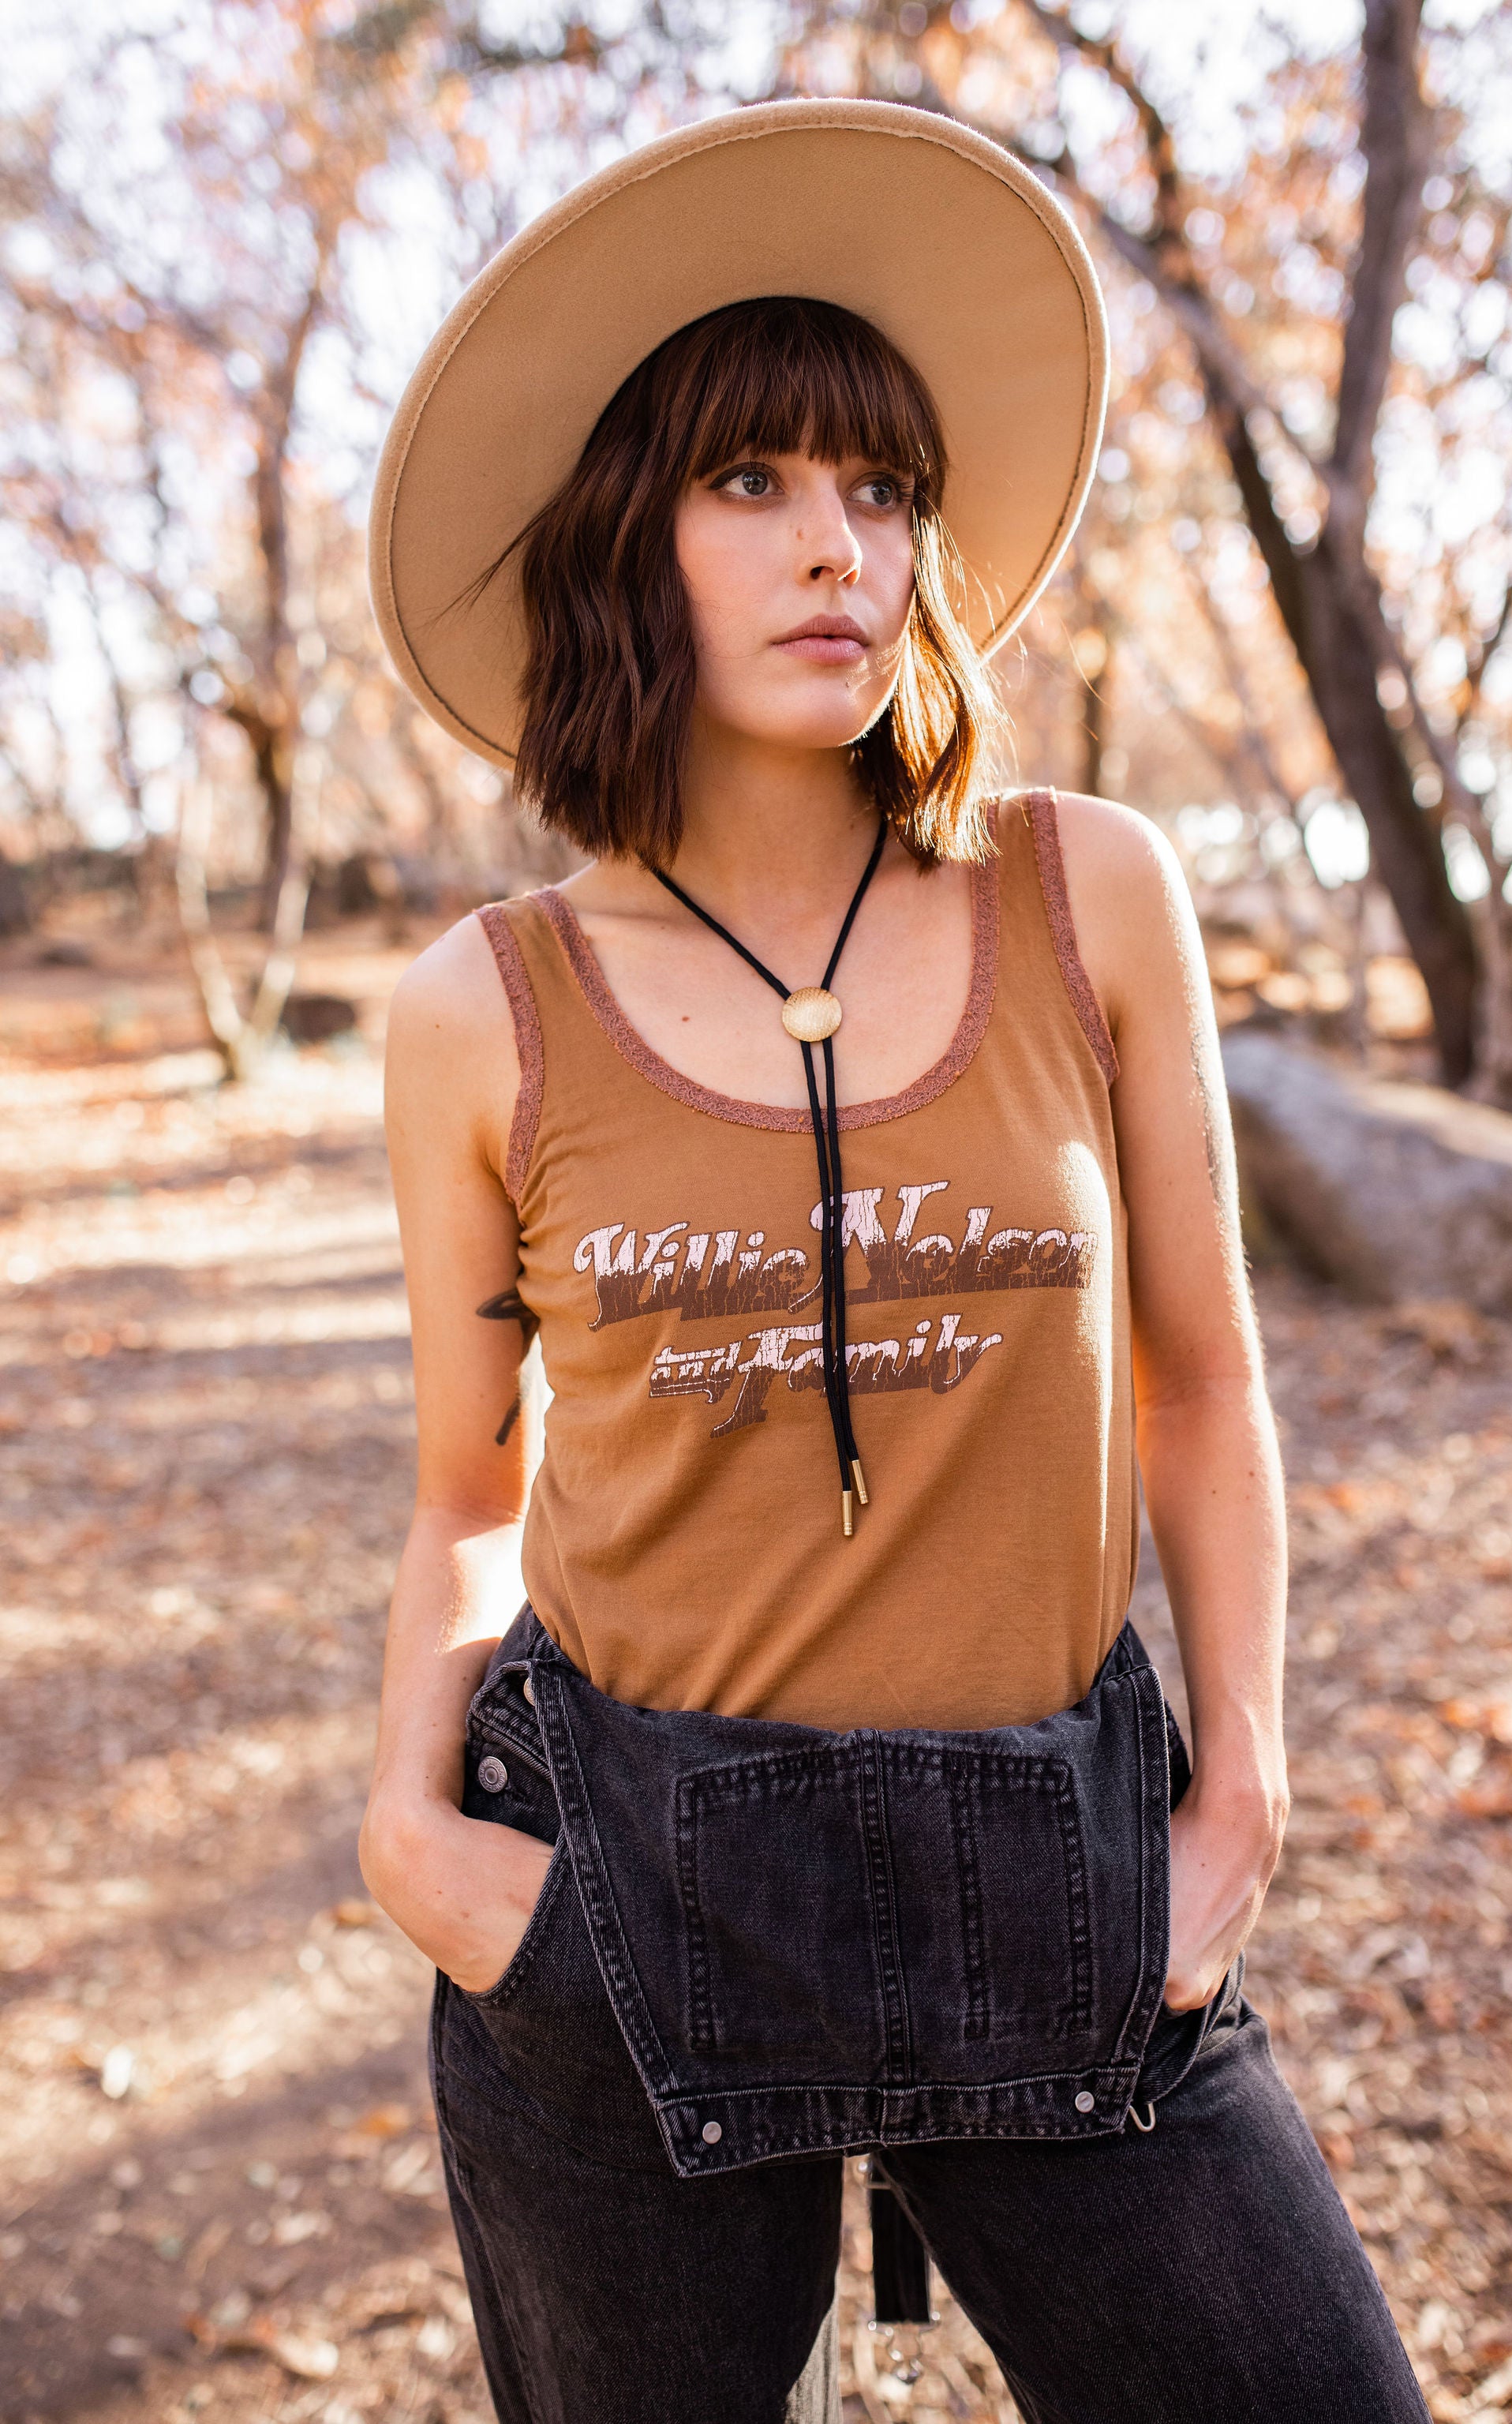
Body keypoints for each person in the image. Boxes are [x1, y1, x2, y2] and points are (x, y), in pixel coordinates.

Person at [359, 98, 1428, 2424]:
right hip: (618, 1910)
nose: (838, 545)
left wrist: (1238, 1796)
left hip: (1068, 1886)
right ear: (619, 541)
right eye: (751, 483)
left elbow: (1207, 1389)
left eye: (881, 488)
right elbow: (468, 1491)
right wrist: (418, 1844)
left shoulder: (1094, 892)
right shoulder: (479, 1010)